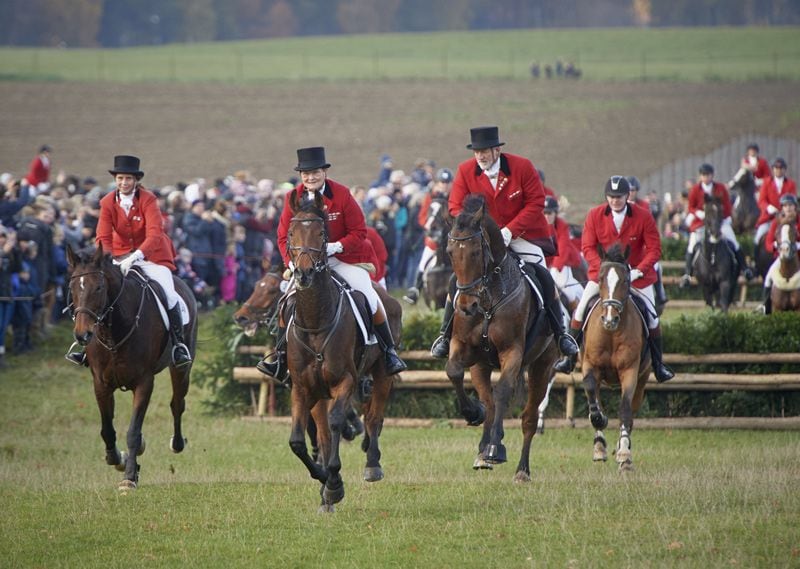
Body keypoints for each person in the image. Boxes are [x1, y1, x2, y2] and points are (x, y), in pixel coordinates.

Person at [429, 126, 578, 364]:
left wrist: (510, 231)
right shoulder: (465, 170)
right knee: (456, 280)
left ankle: (561, 334)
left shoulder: (522, 167)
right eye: (477, 152)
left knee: (542, 275)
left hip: (521, 235)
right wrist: (477, 228)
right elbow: (455, 206)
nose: (480, 157)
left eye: (485, 151)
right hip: (481, 238)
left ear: (497, 150)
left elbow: (536, 202)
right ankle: (444, 336)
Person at [256, 147, 406, 382]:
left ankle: (388, 352)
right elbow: (284, 237)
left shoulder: (342, 194)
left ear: (324, 171)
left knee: (369, 294)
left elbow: (359, 231)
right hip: (306, 262)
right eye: (305, 174)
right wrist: (292, 263)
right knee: (287, 299)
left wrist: (337, 246)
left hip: (343, 258)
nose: (310, 178)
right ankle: (281, 356)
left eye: (315, 172)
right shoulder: (292, 198)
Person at [66, 155, 191, 367]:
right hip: (118, 256)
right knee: (93, 291)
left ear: (136, 180)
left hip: (152, 256)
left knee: (169, 294)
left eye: (129, 179)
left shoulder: (148, 199)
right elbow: (103, 238)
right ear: (116, 179)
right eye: (121, 178)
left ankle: (179, 345)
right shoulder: (107, 202)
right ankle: (86, 347)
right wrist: (106, 258)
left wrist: (135, 257)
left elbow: (155, 234)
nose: (124, 183)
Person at [565, 176, 674, 382]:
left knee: (652, 316)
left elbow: (654, 249)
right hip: (604, 277)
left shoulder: (643, 216)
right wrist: (603, 270)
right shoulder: (594, 215)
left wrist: (638, 271)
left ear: (628, 196)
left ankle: (659, 366)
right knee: (580, 309)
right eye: (612, 196)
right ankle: (569, 359)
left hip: (637, 277)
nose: (615, 200)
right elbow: (587, 247)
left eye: (619, 196)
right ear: (607, 197)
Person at [680, 163, 754, 288]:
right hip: (700, 221)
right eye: (704, 175)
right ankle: (687, 274)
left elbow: (727, 205)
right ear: (701, 176)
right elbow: (691, 207)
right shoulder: (695, 189)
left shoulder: (720, 188)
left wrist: (726, 218)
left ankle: (745, 269)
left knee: (733, 241)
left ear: (712, 175)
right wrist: (700, 213)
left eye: (708, 175)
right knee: (692, 243)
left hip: (719, 222)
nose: (706, 177)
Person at [403, 167, 453, 304]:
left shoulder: (455, 196)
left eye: (447, 183)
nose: (445, 185)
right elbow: (422, 216)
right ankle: (415, 290)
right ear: (438, 183)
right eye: (442, 182)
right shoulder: (430, 197)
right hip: (434, 239)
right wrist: (428, 225)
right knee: (423, 262)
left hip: (452, 239)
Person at [628, 175, 668, 312]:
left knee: (656, 266)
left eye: (633, 190)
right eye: (629, 190)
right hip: (627, 244)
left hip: (642, 242)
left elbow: (648, 226)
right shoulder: (620, 204)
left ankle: (660, 293)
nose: (631, 193)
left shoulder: (644, 205)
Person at [758, 193, 800, 314]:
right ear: (782, 208)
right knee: (768, 278)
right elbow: (768, 242)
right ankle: (765, 307)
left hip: (798, 257)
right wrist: (775, 246)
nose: (788, 208)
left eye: (790, 205)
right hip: (782, 258)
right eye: (785, 206)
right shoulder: (776, 222)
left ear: (795, 207)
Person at [543, 196, 584, 311]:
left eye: (549, 213)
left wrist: (556, 267)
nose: (546, 216)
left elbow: (563, 248)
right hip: (545, 263)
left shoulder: (561, 225)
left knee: (567, 291)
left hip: (563, 262)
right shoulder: (537, 225)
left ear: (555, 213)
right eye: (544, 212)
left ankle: (576, 314)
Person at [754, 158, 797, 245]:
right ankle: (754, 258)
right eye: (776, 168)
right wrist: (768, 207)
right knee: (758, 237)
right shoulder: (766, 182)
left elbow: (793, 200)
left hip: (787, 217)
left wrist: (785, 211)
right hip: (769, 218)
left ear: (785, 169)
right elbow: (761, 201)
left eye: (781, 168)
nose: (778, 170)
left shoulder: (791, 184)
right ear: (773, 169)